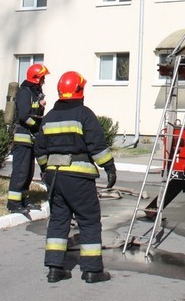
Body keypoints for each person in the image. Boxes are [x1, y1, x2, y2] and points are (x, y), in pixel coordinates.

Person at [34, 70, 117, 284]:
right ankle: (92, 271)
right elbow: (96, 144)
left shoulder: (49, 117)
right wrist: (109, 167)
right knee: (88, 221)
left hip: (55, 178)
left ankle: (55, 269)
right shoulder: (84, 114)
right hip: (78, 178)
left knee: (59, 221)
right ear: (79, 90)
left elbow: (40, 149)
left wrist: (46, 170)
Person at [7, 62, 49, 213]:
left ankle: (23, 200)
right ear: (36, 78)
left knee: (29, 172)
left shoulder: (34, 92)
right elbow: (24, 116)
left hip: (30, 137)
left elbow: (34, 111)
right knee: (21, 171)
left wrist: (40, 105)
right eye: (43, 78)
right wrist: (36, 126)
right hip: (23, 137)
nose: (44, 80)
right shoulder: (24, 92)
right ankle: (13, 204)